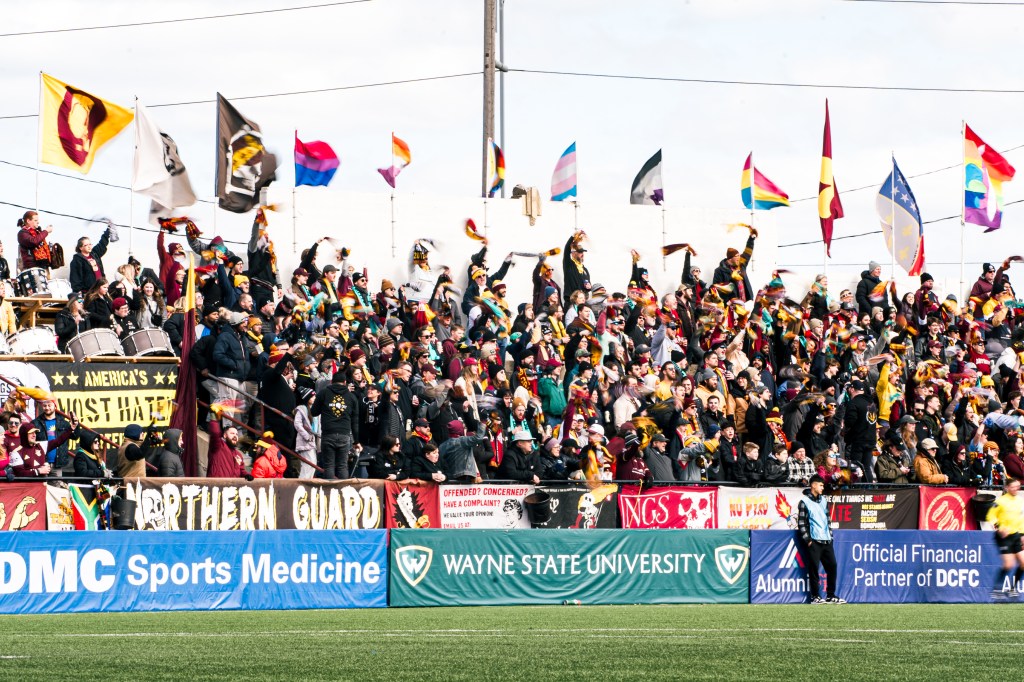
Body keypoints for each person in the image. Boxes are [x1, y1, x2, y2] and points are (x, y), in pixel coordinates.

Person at [797, 474, 846, 605]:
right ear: (813, 485)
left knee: (832, 567)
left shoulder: (823, 500)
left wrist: (830, 535)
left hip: (826, 540)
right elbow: (801, 523)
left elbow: (827, 519)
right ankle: (815, 597)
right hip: (814, 541)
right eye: (820, 485)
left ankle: (830, 595)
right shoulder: (804, 501)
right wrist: (808, 540)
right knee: (814, 569)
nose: (823, 487)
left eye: (823, 485)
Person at [987, 478, 1024, 601]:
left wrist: (1022, 534)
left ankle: (1012, 589)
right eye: (1013, 487)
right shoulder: (1001, 501)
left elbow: (1021, 519)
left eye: (1017, 486)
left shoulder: (1020, 501)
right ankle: (997, 590)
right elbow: (990, 516)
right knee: (1009, 564)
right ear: (1007, 488)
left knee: (1023, 563)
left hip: (1016, 535)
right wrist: (999, 527)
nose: (1015, 489)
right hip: (1004, 536)